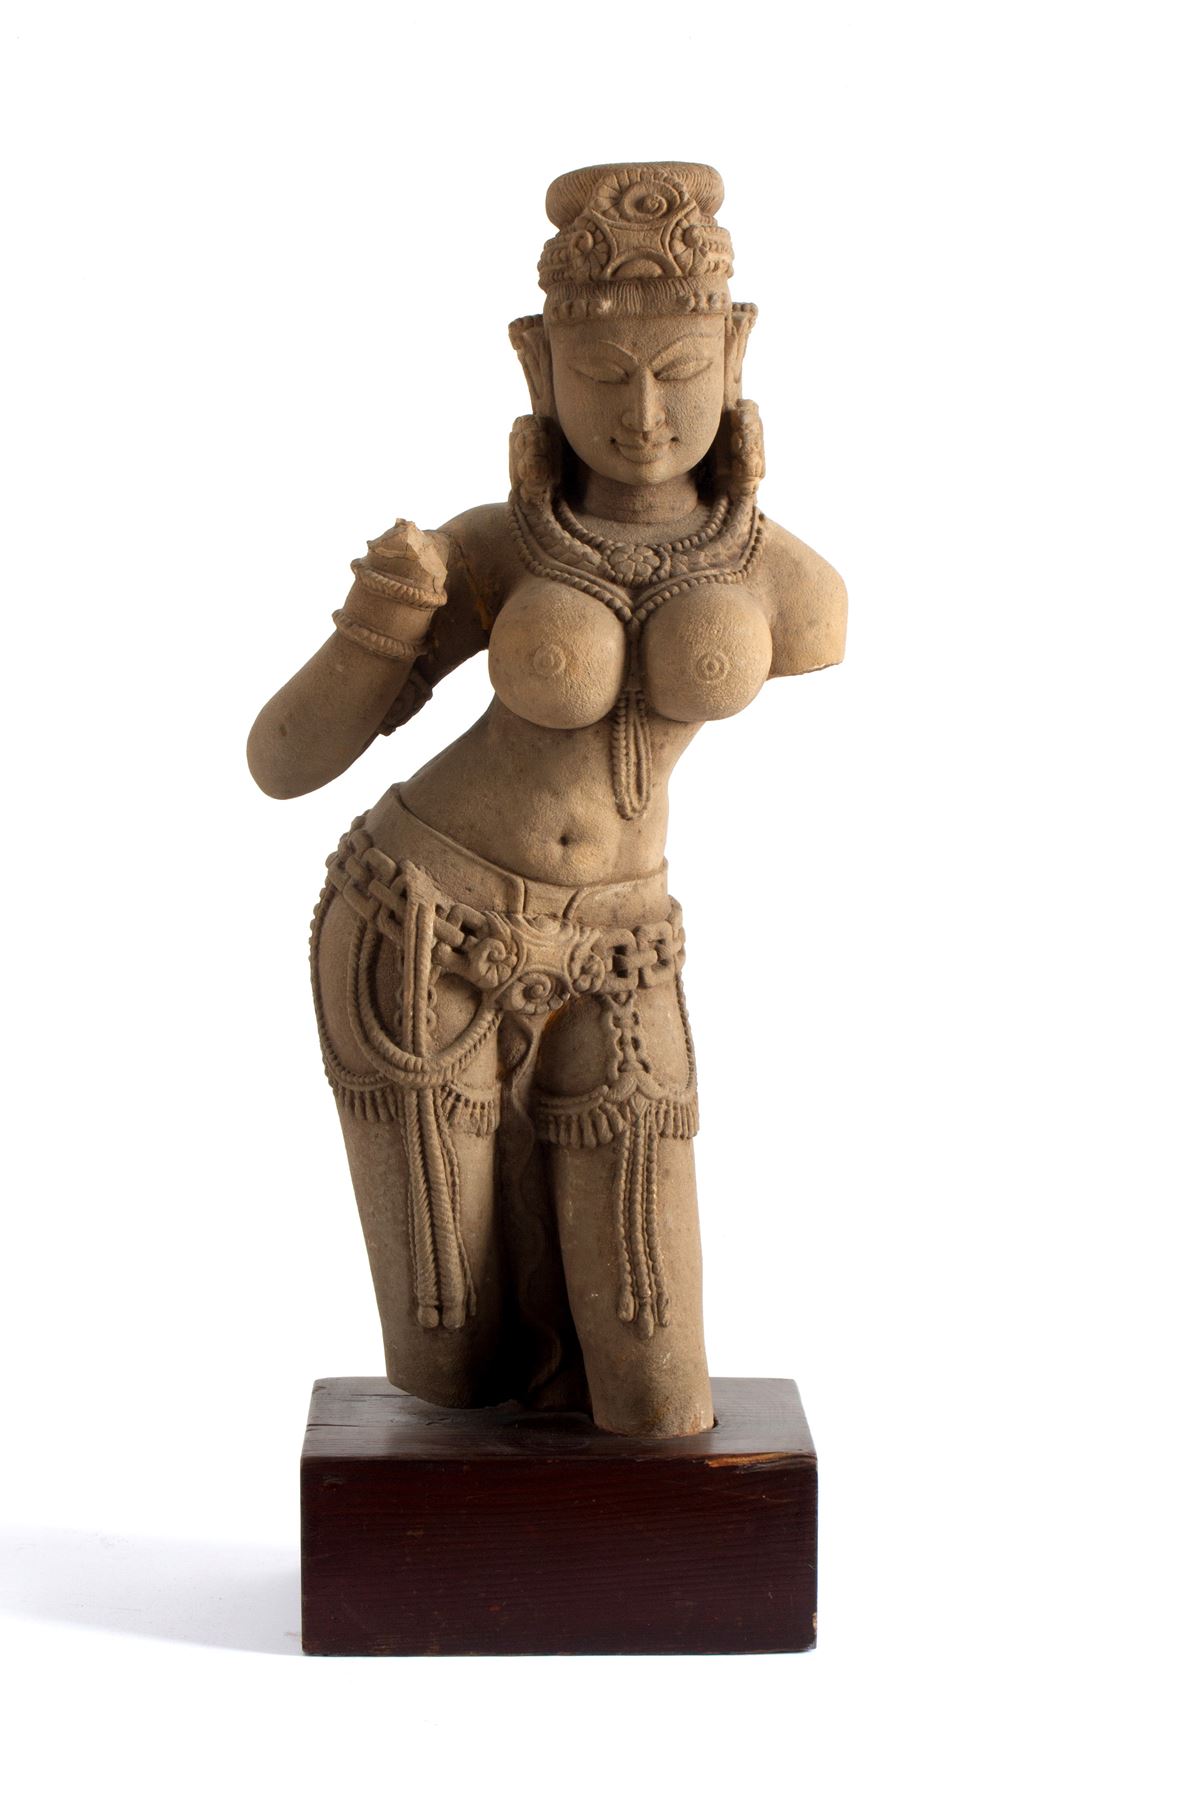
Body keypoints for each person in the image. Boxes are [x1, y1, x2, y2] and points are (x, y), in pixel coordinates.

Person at [248, 163, 846, 1437]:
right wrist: (378, 623)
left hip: (624, 952)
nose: (644, 413)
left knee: (655, 1374)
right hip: (423, 922)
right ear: (537, 365)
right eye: (604, 373)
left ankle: (645, 1521)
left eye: (680, 370)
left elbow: (817, 625)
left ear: (737, 351)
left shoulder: (786, 581)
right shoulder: (496, 548)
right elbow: (281, 761)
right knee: (453, 1353)